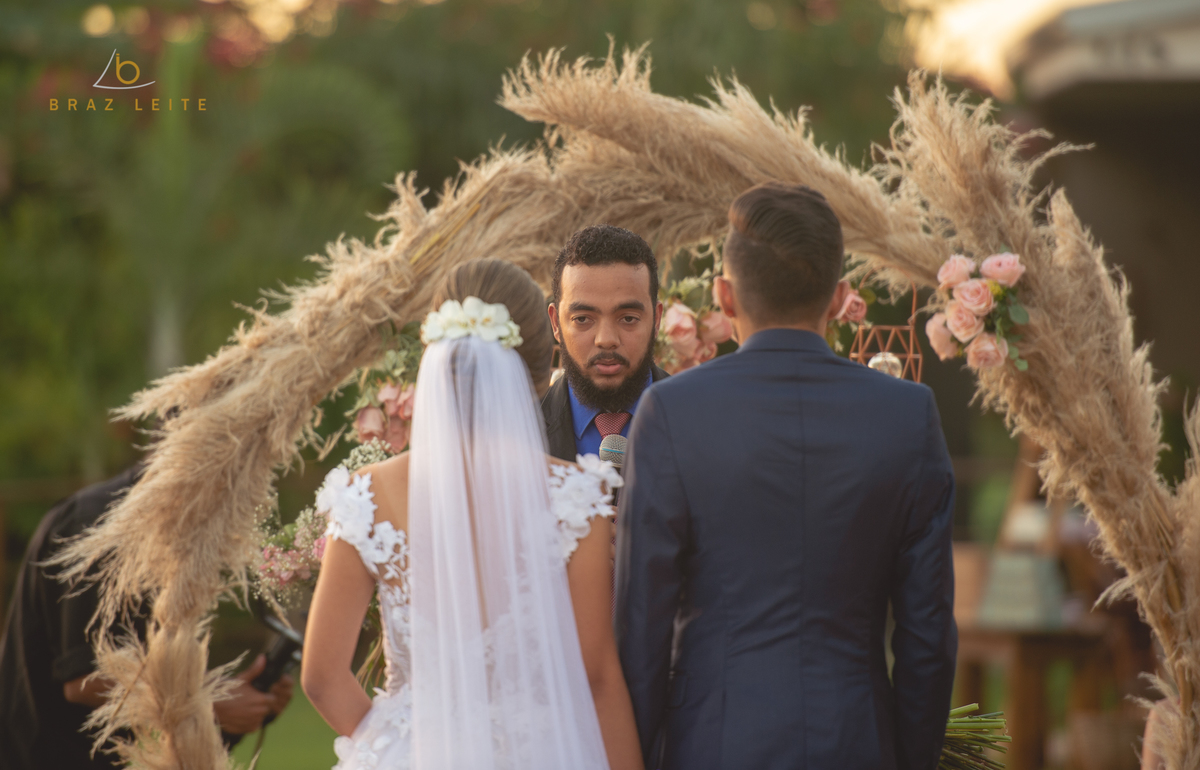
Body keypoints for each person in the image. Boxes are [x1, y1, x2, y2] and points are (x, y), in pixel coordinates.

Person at [615, 182, 958, 770]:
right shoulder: (908, 416)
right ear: (838, 297)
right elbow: (928, 634)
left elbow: (640, 625)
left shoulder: (671, 412)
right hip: (857, 739)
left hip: (712, 742)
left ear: (724, 296)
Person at [301, 258, 644, 770]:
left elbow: (322, 677)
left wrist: (397, 744)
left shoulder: (367, 497)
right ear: (540, 367)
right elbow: (596, 677)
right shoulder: (577, 497)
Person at [0, 466, 294, 769]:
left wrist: (237, 710)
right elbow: (85, 680)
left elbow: (150, 693)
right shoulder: (97, 522)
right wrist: (209, 702)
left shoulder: (172, 539)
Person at [543, 225, 667, 464]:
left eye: (628, 319)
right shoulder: (521, 434)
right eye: (582, 319)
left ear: (657, 319)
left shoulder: (701, 424)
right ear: (555, 323)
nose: (606, 339)